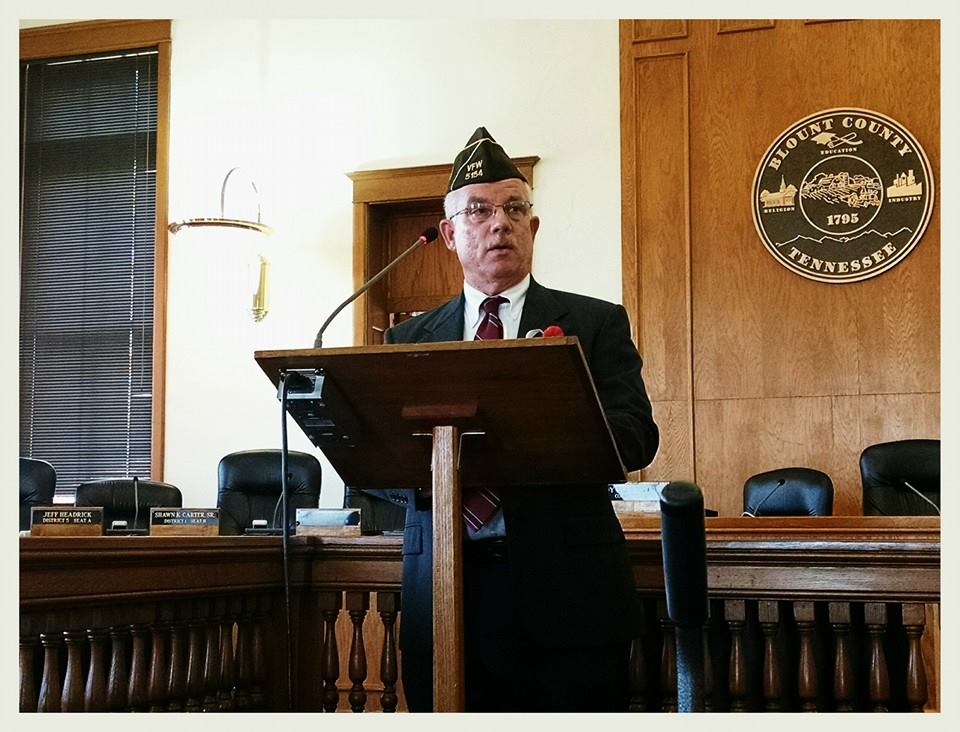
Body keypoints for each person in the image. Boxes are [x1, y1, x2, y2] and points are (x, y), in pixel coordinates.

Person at [367, 126, 659, 712]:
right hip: (446, 591)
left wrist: (538, 420)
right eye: (478, 211)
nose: (498, 223)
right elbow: (377, 462)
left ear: (533, 226)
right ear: (449, 234)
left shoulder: (594, 323)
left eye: (514, 208)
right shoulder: (407, 340)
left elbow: (635, 437)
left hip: (568, 592)